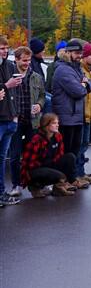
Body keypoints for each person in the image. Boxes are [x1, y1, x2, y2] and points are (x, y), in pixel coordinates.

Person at [8, 45, 45, 198]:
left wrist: (39, 105)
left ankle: (34, 185)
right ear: (16, 60)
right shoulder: (10, 76)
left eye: (28, 60)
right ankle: (16, 185)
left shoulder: (36, 76)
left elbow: (43, 95)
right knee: (15, 155)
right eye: (23, 60)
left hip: (33, 122)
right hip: (15, 121)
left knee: (33, 155)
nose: (27, 63)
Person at [51, 38, 91, 166]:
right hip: (66, 117)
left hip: (76, 116)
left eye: (80, 53)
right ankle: (63, 180)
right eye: (76, 53)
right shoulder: (63, 70)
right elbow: (78, 91)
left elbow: (90, 85)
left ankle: (72, 178)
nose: (79, 56)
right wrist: (84, 85)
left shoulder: (77, 68)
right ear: (68, 53)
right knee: (66, 152)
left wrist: (84, 84)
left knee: (75, 151)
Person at [21, 113, 79, 197]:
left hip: (50, 164)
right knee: (59, 175)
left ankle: (60, 186)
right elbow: (29, 164)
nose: (57, 125)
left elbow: (60, 154)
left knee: (70, 157)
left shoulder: (58, 136)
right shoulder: (37, 139)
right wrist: (49, 168)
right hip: (36, 170)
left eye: (58, 123)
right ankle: (35, 187)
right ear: (46, 125)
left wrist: (54, 168)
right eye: (54, 123)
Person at [0, 35, 24, 206]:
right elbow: (6, 88)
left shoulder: (9, 65)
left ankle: (1, 192)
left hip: (10, 118)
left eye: (6, 48)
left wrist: (15, 115)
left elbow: (15, 94)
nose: (5, 51)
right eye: (1, 48)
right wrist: (6, 85)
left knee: (2, 159)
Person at [77, 42, 91, 185]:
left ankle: (81, 172)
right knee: (80, 145)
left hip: (88, 114)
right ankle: (78, 174)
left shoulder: (89, 71)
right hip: (81, 114)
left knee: (85, 144)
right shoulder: (80, 71)